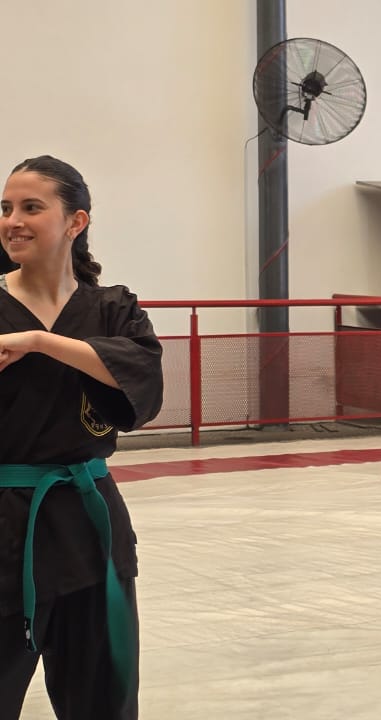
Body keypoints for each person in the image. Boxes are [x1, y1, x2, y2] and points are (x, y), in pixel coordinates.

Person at [0, 155, 164, 719]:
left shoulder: (112, 309)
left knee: (103, 698)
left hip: (88, 528)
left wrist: (40, 342)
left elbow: (142, 378)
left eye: (31, 207)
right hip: (4, 522)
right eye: (6, 208)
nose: (13, 221)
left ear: (76, 221)